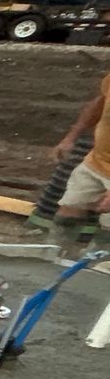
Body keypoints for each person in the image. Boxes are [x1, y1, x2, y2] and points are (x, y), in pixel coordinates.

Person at [51, 70, 110, 249]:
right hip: (95, 163)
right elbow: (99, 104)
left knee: (106, 236)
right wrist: (71, 137)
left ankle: (97, 270)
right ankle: (54, 260)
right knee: (66, 217)